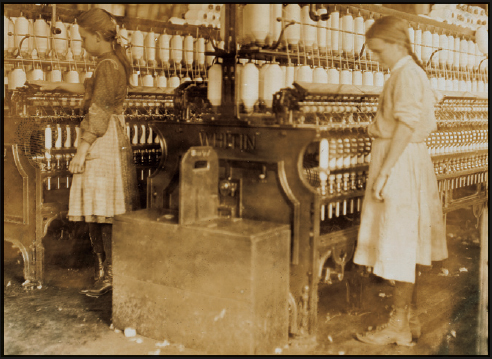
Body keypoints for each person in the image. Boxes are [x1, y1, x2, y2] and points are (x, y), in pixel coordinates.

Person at [30, 8, 139, 297]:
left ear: (98, 38)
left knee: (101, 212)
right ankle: (107, 273)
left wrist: (81, 151)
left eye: (84, 38)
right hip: (110, 138)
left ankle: (109, 275)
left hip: (101, 141)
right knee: (102, 212)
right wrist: (56, 84)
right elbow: (92, 90)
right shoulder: (111, 61)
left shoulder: (107, 65)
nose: (82, 44)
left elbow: (99, 110)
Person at [352, 16, 448, 346]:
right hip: (405, 158)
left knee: (399, 243)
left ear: (397, 44)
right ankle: (411, 317)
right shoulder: (407, 73)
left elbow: (406, 125)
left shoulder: (407, 74)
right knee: (405, 242)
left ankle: (398, 326)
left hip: (399, 161)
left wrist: (385, 172)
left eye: (379, 51)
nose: (378, 58)